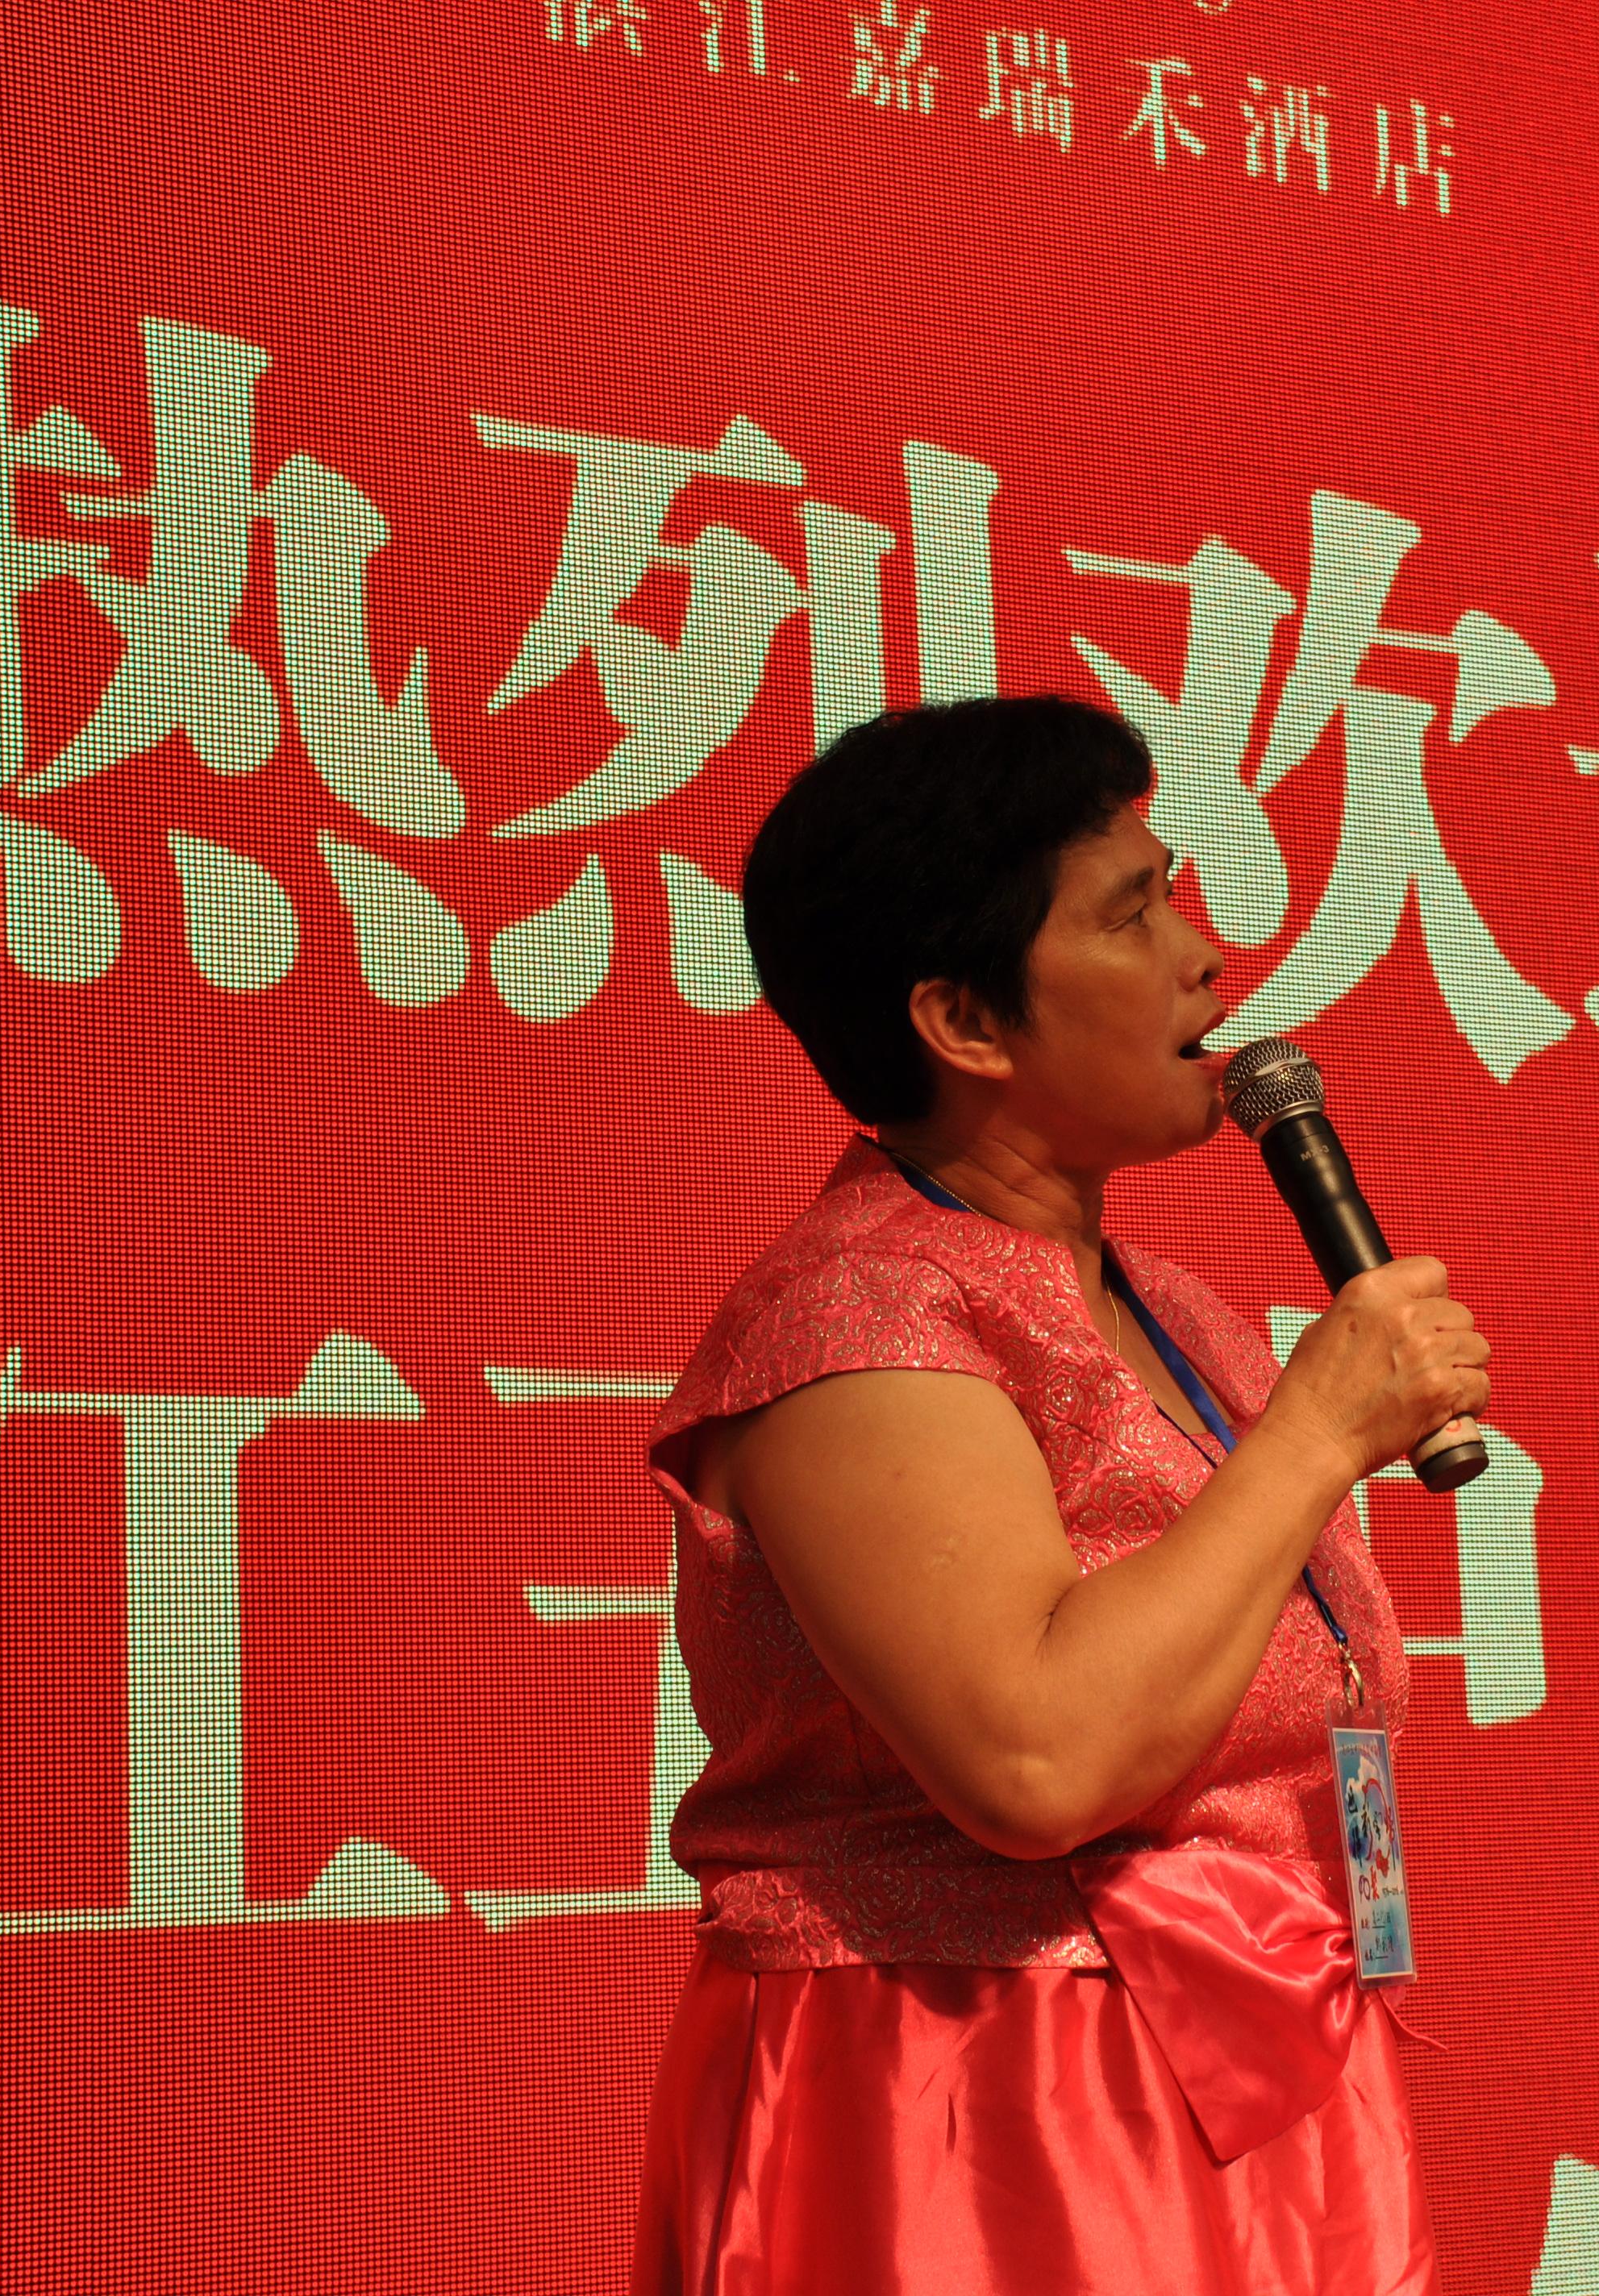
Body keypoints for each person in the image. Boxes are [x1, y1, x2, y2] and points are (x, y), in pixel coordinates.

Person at [630, 695, 1489, 2294]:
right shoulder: (857, 1317)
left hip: (1251, 2060)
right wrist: (1317, 1431)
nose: (1205, 956)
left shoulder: (1177, 1313)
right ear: (965, 1021)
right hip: (984, 2094)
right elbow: (1032, 1758)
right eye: (1132, 912)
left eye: (1176, 893)